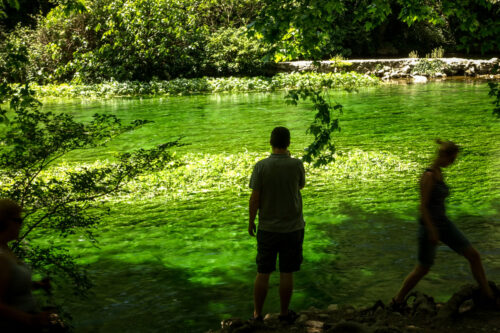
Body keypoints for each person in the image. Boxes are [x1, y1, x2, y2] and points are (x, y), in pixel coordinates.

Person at [392, 140, 497, 308]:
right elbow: (423, 206)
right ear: (444, 156)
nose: (453, 163)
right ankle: (397, 300)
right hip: (429, 227)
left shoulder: (440, 173)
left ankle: (489, 296)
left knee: (473, 255)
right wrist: (433, 230)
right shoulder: (429, 176)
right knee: (423, 268)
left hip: (445, 224)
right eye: (452, 159)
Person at [248, 126, 305, 323]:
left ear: (270, 143)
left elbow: (255, 198)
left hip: (267, 228)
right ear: (288, 143)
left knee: (263, 271)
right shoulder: (296, 164)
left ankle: (257, 315)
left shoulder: (261, 166)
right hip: (293, 228)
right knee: (286, 272)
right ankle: (284, 313)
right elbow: (300, 186)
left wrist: (250, 221)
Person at [0, 198, 63, 332]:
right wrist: (31, 320)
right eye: (18, 220)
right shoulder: (0, 256)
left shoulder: (5, 248)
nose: (21, 225)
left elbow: (10, 286)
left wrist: (37, 285)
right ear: (3, 222)